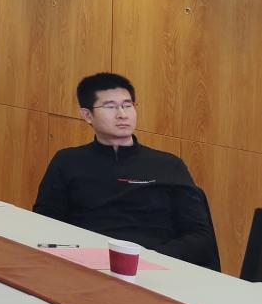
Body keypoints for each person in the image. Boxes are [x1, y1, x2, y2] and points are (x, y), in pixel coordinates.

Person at [33, 72, 218, 269]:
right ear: (87, 115)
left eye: (128, 105)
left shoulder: (169, 165)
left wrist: (151, 258)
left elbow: (200, 237)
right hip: (86, 265)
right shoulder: (67, 161)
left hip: (154, 265)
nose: (122, 114)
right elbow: (44, 224)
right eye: (110, 106)